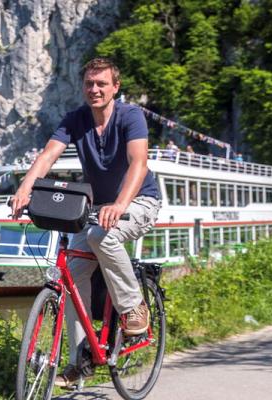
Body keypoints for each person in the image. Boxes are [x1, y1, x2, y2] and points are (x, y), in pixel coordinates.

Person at [9, 57, 163, 387]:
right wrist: (25, 189)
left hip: (139, 201)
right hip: (99, 208)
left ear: (115, 87)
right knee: (72, 273)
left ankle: (134, 307)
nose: (94, 89)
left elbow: (139, 163)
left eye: (101, 84)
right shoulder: (75, 119)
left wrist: (121, 204)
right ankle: (80, 360)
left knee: (100, 237)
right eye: (89, 84)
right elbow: (48, 155)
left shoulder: (130, 116)